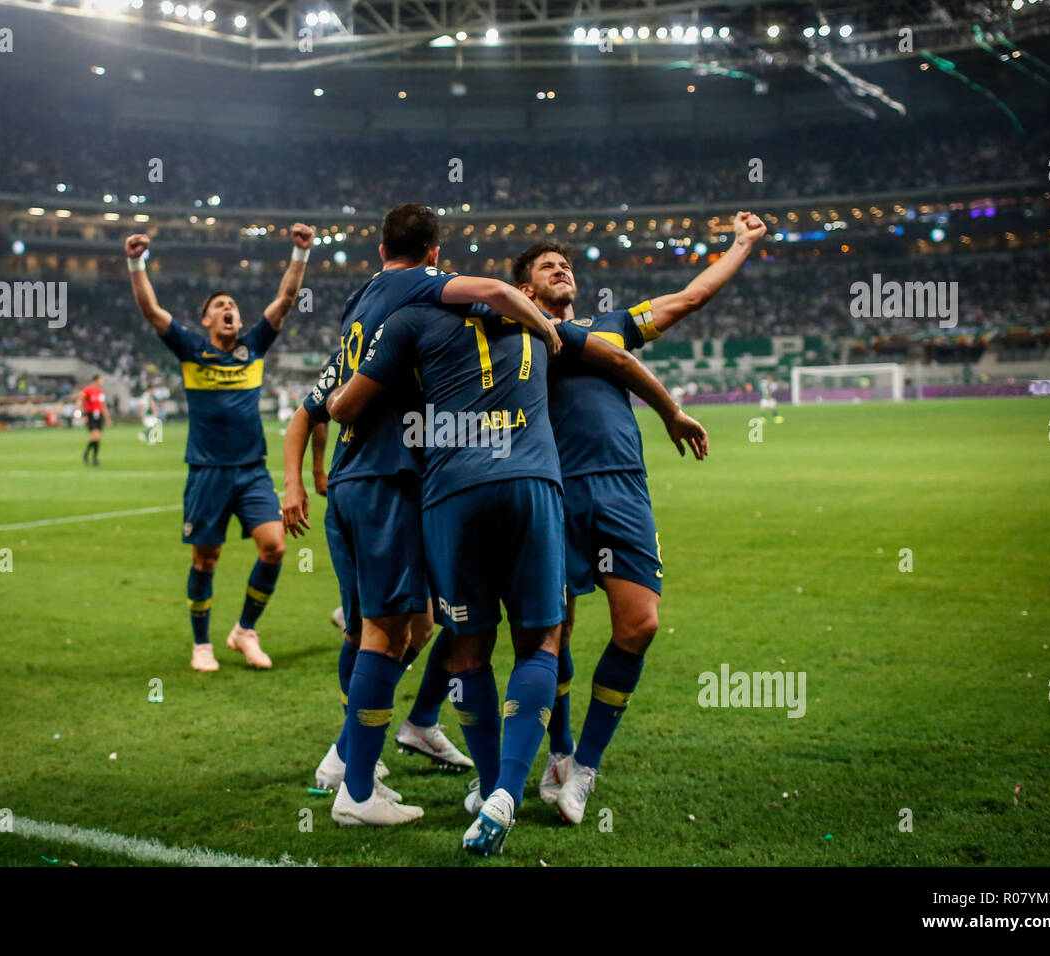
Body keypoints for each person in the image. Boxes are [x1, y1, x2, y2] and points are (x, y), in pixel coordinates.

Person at [328, 290, 701, 855]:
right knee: (541, 641)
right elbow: (621, 360)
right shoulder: (536, 323)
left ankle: (455, 772)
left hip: (449, 492)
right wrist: (672, 411)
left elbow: (343, 406)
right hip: (529, 483)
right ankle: (505, 788)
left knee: (461, 646)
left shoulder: (408, 321)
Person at [302, 202, 561, 827]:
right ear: (435, 256)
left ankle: (360, 759)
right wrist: (546, 328)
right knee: (387, 633)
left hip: (356, 477)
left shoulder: (361, 301)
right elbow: (497, 289)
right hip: (391, 476)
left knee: (401, 625)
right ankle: (353, 784)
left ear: (379, 247)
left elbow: (324, 404)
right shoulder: (417, 294)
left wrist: (309, 470)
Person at [509, 210, 764, 825]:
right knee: (554, 633)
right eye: (548, 266)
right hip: (554, 492)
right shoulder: (514, 336)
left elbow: (691, 297)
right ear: (525, 289)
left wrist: (742, 244)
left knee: (640, 624)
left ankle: (585, 766)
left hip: (622, 490)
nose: (562, 269)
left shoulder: (614, 325)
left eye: (567, 265)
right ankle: (560, 752)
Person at [125, 225, 313, 672]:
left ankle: (244, 630)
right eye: (219, 307)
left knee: (275, 547)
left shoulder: (253, 347)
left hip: (251, 470)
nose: (228, 310)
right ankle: (202, 644)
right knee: (206, 558)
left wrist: (299, 253)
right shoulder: (191, 349)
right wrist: (136, 262)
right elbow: (151, 310)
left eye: (232, 306)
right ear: (207, 320)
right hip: (207, 471)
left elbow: (285, 301)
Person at [284, 355, 474, 793]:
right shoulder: (390, 341)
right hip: (380, 494)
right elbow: (308, 413)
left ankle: (366, 746)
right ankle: (351, 766)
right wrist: (298, 480)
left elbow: (312, 413)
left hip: (389, 493)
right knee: (374, 634)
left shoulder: (385, 339)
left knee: (423, 627)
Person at [80, 374, 111, 465]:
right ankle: (88, 454)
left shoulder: (101, 392)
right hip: (90, 416)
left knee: (98, 439)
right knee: (95, 437)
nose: (102, 382)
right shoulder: (87, 390)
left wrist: (107, 417)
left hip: (99, 415)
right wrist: (84, 415)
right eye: (101, 380)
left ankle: (93, 458)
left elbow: (103, 405)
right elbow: (81, 401)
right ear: (95, 381)